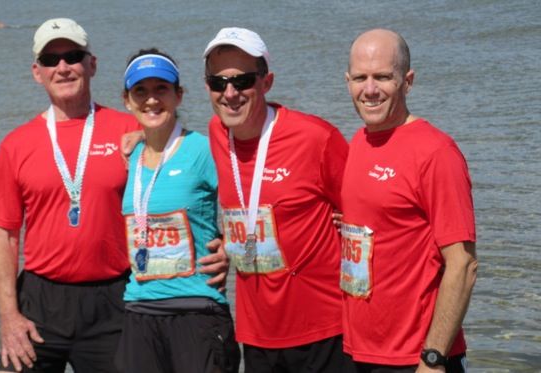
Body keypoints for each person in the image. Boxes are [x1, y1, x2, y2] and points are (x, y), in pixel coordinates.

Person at [0, 18, 227, 373]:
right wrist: (8, 317)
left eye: (73, 56)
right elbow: (4, 235)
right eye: (52, 60)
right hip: (40, 300)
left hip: (115, 297)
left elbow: (183, 184)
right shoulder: (15, 145)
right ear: (37, 72)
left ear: (92, 64)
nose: (63, 67)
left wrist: (222, 244)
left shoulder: (135, 127)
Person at [204, 27, 354, 373]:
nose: (230, 93)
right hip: (257, 335)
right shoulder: (215, 134)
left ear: (266, 82)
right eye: (217, 82)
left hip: (326, 330)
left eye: (242, 81)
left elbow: (366, 214)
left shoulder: (316, 137)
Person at [340, 28, 478, 372]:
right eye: (360, 78)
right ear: (347, 82)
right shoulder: (358, 142)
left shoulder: (436, 152)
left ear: (408, 81)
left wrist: (433, 358)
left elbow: (463, 266)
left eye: (383, 77)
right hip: (358, 352)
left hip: (415, 358)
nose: (369, 90)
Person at [115, 48, 241, 373]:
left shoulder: (202, 149)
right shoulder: (130, 155)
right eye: (140, 91)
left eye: (162, 89)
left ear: (179, 95)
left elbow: (246, 201)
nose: (151, 100)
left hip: (196, 310)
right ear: (127, 100)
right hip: (139, 311)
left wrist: (231, 247)